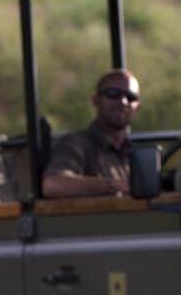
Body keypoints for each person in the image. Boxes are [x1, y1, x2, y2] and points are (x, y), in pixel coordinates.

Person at [41, 69, 142, 199]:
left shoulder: (133, 153)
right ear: (95, 100)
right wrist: (113, 185)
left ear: (137, 106)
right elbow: (52, 185)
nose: (122, 102)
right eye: (113, 94)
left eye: (130, 97)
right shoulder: (76, 144)